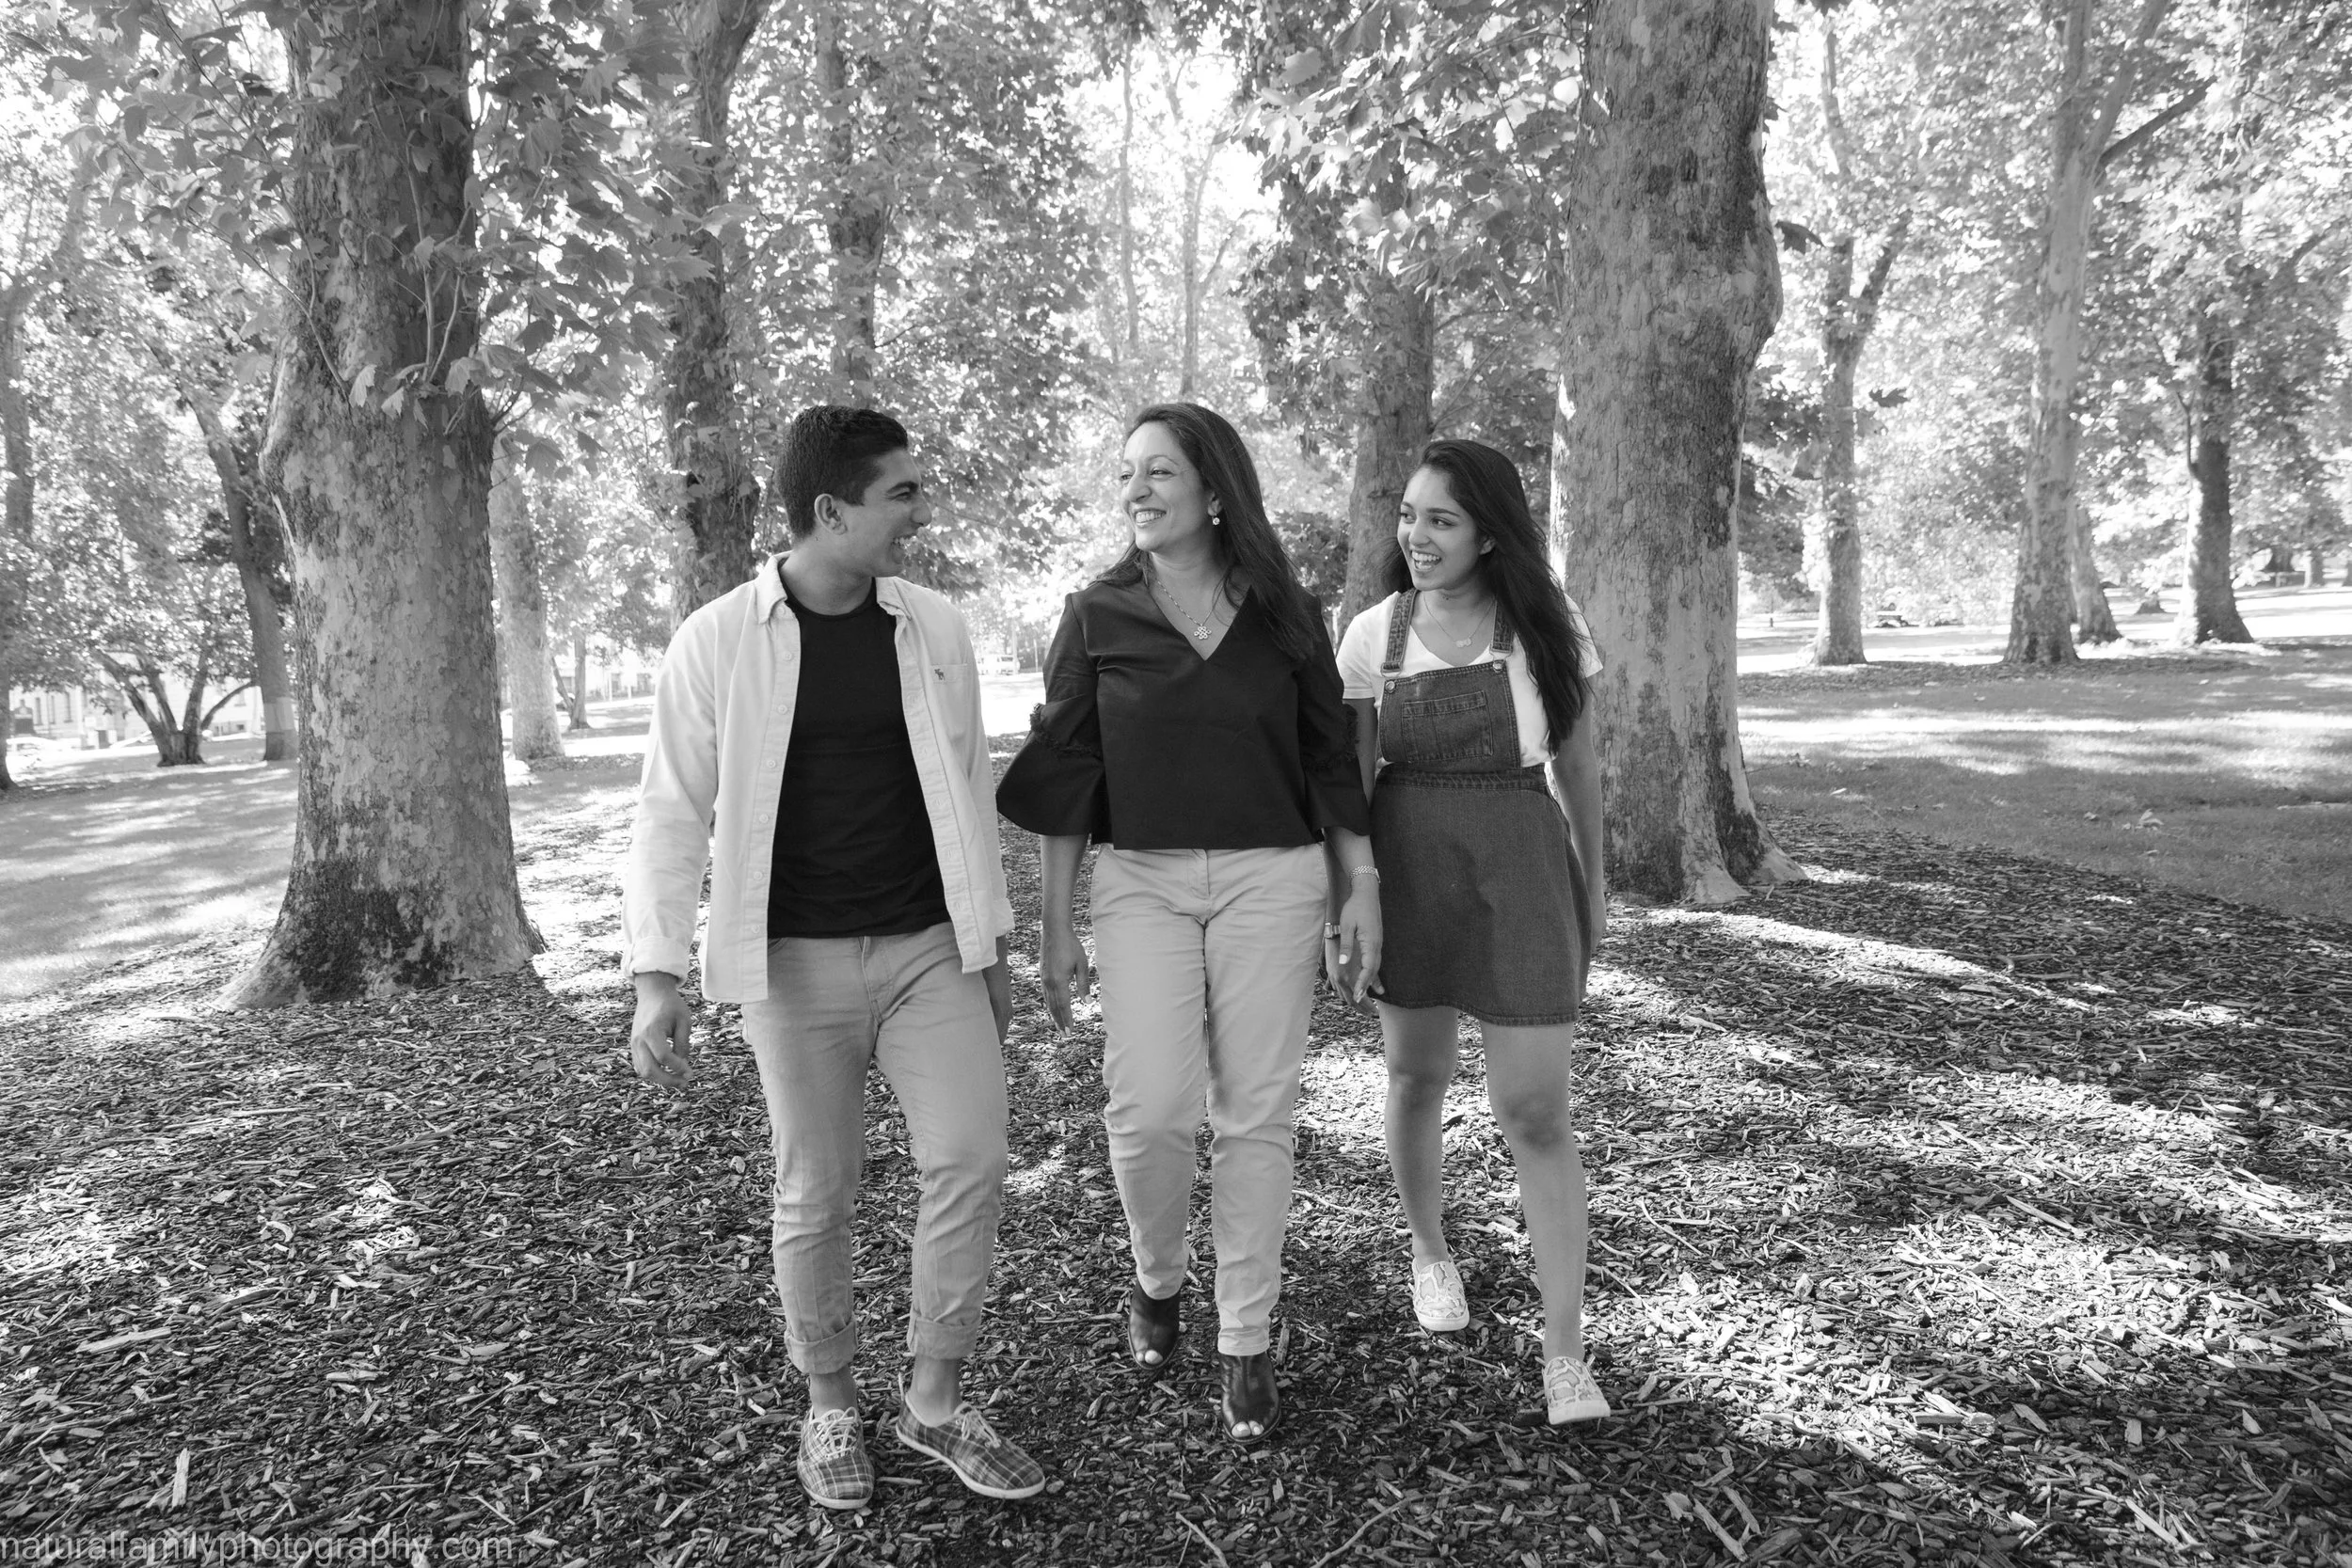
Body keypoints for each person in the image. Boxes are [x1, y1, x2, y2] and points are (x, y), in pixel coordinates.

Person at [619, 406, 1044, 1510]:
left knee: (972, 1158)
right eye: (900, 491)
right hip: (792, 966)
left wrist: (991, 946)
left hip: (929, 953)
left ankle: (934, 1399)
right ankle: (830, 1401)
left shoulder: (933, 626)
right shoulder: (718, 639)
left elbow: (966, 792)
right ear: (829, 510)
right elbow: (671, 810)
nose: (920, 509)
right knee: (817, 1187)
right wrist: (657, 976)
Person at [996, 402, 1378, 1443]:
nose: (1136, 489)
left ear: (1214, 490)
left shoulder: (1288, 614)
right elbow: (1068, 771)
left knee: (1256, 1114)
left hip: (1272, 878)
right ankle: (1157, 1274)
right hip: (1142, 881)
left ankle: (1245, 1333)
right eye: (1126, 473)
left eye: (1158, 470)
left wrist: (1361, 883)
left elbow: (1328, 757)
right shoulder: (1096, 612)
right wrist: (1056, 923)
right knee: (1152, 1108)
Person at [1332, 438, 1612, 1426]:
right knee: (1415, 1076)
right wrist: (1353, 894)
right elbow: (1349, 787)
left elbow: (1578, 769)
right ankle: (1429, 1250)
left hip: (1523, 865)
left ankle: (1565, 1349)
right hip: (1407, 867)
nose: (1416, 535)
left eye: (1441, 519)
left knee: (1535, 1110)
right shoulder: (1373, 634)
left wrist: (1594, 889)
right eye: (1410, 515)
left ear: (1489, 534)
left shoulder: (1545, 626)